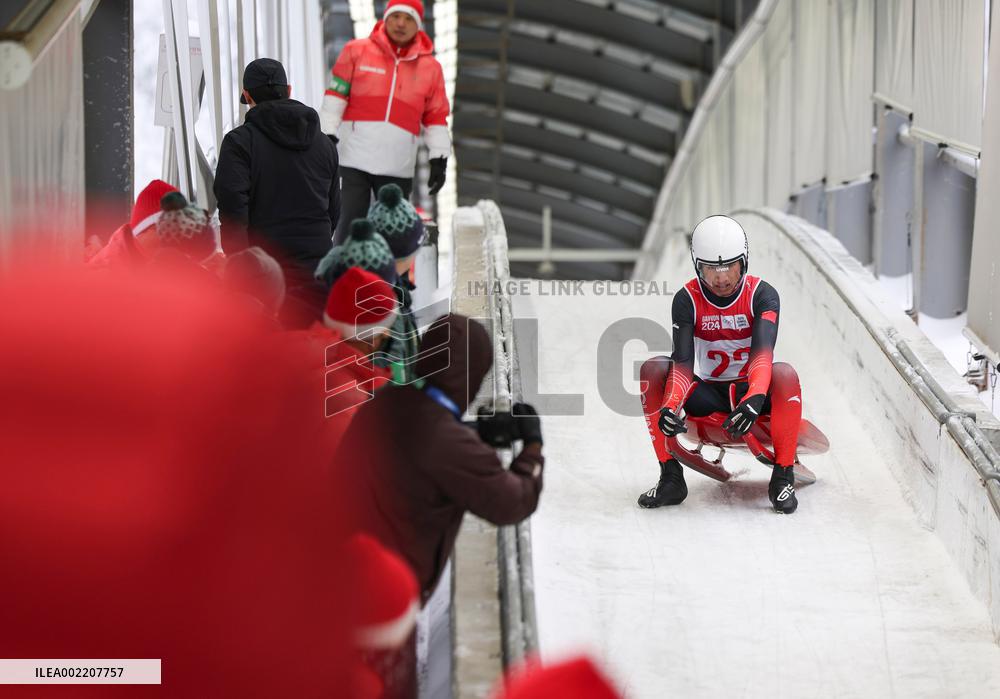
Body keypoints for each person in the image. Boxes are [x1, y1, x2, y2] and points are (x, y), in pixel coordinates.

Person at [337, 313, 545, 604]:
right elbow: (512, 502)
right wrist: (533, 445)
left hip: (343, 561)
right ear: (471, 374)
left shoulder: (385, 402)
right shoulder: (444, 441)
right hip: (384, 592)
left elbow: (420, 441)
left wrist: (474, 432)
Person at [638, 215, 804, 514]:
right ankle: (671, 477)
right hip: (710, 396)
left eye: (730, 266)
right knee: (653, 368)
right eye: (710, 269)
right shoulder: (686, 299)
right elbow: (683, 363)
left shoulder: (762, 296)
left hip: (751, 395)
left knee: (784, 373)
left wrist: (754, 398)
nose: (722, 278)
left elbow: (762, 354)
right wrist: (669, 407)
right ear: (697, 267)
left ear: (744, 262)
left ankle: (782, 477)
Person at [215, 57, 340, 325]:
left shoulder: (239, 143)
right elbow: (333, 211)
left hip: (266, 279)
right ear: (289, 90)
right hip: (318, 273)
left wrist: (242, 268)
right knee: (313, 354)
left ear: (247, 96)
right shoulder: (325, 145)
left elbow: (233, 209)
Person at [319, 0, 451, 244]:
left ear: (419, 25)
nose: (401, 23)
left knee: (393, 235)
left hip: (397, 164)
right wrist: (327, 133)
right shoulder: (356, 51)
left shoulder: (430, 69)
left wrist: (439, 158)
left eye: (409, 18)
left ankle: (389, 282)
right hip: (354, 157)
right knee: (348, 226)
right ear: (386, 17)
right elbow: (336, 95)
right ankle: (340, 277)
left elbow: (436, 116)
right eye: (396, 16)